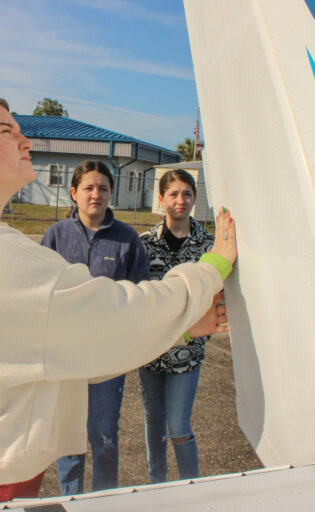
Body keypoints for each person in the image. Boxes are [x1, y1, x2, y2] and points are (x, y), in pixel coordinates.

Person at [0, 92, 236, 510]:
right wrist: (211, 267)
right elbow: (116, 317)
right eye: (7, 131)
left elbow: (78, 341)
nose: (25, 141)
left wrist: (183, 326)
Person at [41, 160, 150, 495]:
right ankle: (71, 499)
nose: (96, 194)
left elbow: (142, 292)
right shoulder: (56, 236)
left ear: (110, 193)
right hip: (67, 357)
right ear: (73, 192)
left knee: (104, 437)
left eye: (103, 188)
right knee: (69, 438)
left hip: (107, 359)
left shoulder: (127, 240)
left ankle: (104, 501)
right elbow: (40, 292)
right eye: (88, 187)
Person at [138, 169, 214, 483]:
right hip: (151, 353)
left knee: (179, 427)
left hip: (187, 355)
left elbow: (213, 300)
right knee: (154, 422)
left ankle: (190, 488)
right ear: (161, 199)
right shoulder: (144, 244)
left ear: (195, 198)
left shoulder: (207, 246)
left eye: (186, 194)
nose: (180, 201)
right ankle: (157, 485)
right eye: (173, 194)